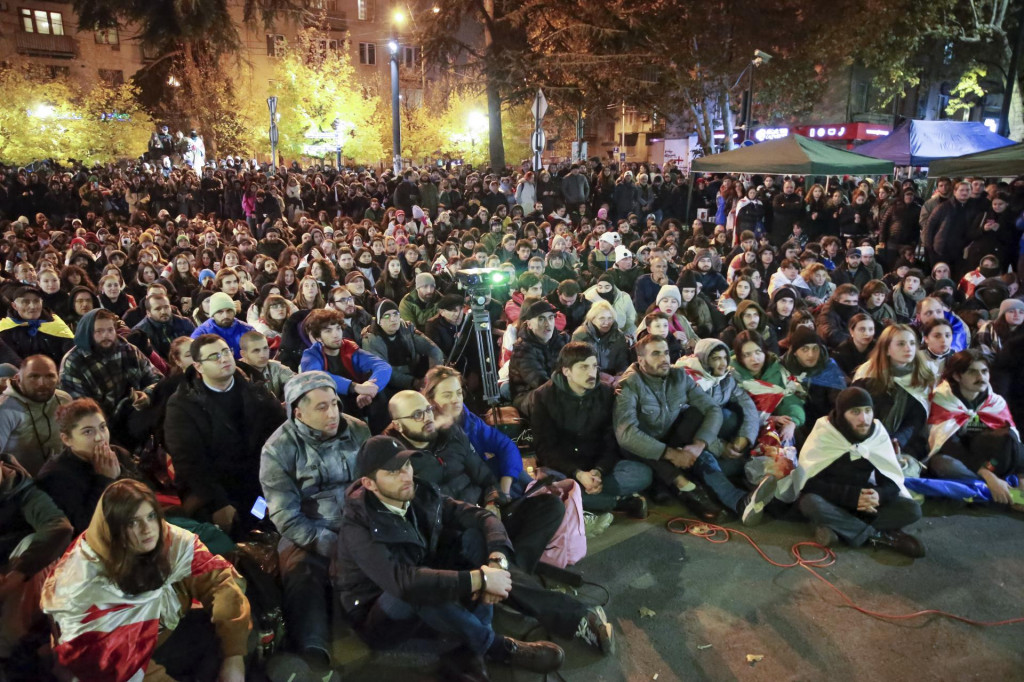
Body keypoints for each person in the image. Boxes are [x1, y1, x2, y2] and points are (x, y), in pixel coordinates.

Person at [334, 436, 565, 680]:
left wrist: (497, 559)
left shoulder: (420, 492)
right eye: (393, 473)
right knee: (417, 584)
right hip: (378, 614)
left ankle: (473, 649)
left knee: (474, 538)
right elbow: (402, 582)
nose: (406, 476)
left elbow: (481, 516)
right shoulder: (358, 525)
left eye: (406, 466)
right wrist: (480, 579)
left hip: (421, 585)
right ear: (369, 484)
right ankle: (498, 647)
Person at [41, 480, 251, 682]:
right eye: (133, 522)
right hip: (118, 664)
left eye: (151, 516)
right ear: (114, 529)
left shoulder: (168, 539)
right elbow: (113, 666)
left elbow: (220, 583)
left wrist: (234, 658)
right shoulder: (84, 582)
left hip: (165, 634)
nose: (147, 529)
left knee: (241, 631)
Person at [259, 372, 370, 669]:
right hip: (310, 530)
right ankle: (313, 651)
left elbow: (374, 480)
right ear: (298, 411)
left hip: (360, 522)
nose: (333, 413)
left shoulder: (359, 430)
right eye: (322, 407)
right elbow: (286, 515)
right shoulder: (278, 449)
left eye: (334, 404)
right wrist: (329, 544)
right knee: (303, 574)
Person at [615, 335, 775, 524]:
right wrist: (671, 454)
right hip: (641, 447)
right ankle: (691, 492)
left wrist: (699, 445)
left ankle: (740, 502)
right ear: (641, 360)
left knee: (700, 444)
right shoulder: (629, 384)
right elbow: (626, 435)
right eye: (656, 354)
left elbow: (712, 409)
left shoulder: (679, 376)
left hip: (671, 439)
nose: (664, 359)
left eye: (666, 353)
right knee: (661, 456)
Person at [164, 334, 285, 537]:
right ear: (199, 367)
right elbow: (190, 462)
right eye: (213, 356)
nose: (223, 359)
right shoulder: (182, 405)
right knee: (230, 528)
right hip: (213, 487)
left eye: (225, 352)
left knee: (265, 518)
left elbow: (280, 433)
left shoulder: (255, 389)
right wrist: (219, 502)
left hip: (257, 480)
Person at [789, 387, 925, 557]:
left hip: (865, 502)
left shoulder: (877, 434)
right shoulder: (825, 432)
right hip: (833, 499)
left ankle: (840, 529)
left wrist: (878, 495)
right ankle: (876, 536)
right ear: (841, 414)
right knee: (810, 503)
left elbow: (892, 480)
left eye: (868, 411)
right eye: (855, 412)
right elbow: (808, 482)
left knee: (911, 509)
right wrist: (852, 497)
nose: (864, 419)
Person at [530, 342, 651, 517]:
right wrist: (578, 474)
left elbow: (611, 441)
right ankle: (616, 501)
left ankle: (585, 498)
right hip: (563, 468)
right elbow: (544, 448)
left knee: (642, 473)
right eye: (583, 367)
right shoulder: (543, 396)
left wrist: (599, 471)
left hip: (596, 466)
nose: (591, 373)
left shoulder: (606, 393)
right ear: (566, 371)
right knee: (548, 485)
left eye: (594, 366)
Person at [926, 350, 1024, 509]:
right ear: (957, 376)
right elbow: (949, 444)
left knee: (1012, 446)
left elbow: (1013, 441)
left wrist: (1022, 481)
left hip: (989, 462)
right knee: (942, 464)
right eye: (973, 372)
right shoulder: (942, 399)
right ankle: (1000, 491)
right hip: (960, 457)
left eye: (984, 371)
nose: (981, 377)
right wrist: (989, 477)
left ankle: (1000, 492)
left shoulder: (995, 402)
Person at [59, 309, 163, 449]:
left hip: (135, 414)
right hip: (101, 426)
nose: (106, 336)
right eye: (99, 331)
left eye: (110, 330)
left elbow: (156, 378)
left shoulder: (128, 349)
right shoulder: (74, 362)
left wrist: (147, 394)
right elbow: (81, 409)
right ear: (88, 333)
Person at [300, 308, 393, 432]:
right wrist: (354, 387)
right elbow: (317, 377)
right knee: (336, 399)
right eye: (328, 331)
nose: (336, 334)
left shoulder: (349, 348)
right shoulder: (311, 355)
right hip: (332, 404)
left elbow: (383, 366)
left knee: (379, 395)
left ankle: (382, 437)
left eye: (338, 328)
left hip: (359, 399)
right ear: (318, 337)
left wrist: (370, 388)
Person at [852, 324, 934, 459]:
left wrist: (897, 440)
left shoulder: (924, 377)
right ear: (887, 349)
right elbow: (855, 411)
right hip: (865, 437)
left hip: (906, 443)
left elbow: (916, 421)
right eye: (901, 344)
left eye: (912, 343)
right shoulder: (867, 374)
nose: (908, 348)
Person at [0, 355, 71, 476]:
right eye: (34, 376)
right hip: (23, 487)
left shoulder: (64, 400)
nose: (42, 383)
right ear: (18, 379)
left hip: (62, 477)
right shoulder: (5, 409)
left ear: (58, 378)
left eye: (50, 376)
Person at [361, 300, 444, 391]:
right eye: (387, 316)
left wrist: (433, 375)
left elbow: (432, 349)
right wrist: (413, 382)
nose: (393, 319)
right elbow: (383, 370)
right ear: (379, 321)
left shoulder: (406, 328)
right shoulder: (370, 341)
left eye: (396, 314)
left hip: (414, 372)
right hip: (390, 384)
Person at [508, 299, 567, 418]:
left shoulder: (563, 340)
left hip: (559, 390)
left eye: (551, 318)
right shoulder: (522, 349)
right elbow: (539, 382)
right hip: (528, 396)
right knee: (548, 398)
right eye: (541, 319)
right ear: (529, 324)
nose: (548, 323)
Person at [0, 284, 74, 364]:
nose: (32, 306)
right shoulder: (5, 329)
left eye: (36, 301)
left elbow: (71, 354)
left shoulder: (55, 324)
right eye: (26, 302)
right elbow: (8, 359)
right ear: (14, 306)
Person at [571, 300, 631, 381]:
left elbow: (623, 361)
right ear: (593, 319)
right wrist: (599, 375)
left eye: (610, 318)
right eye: (602, 318)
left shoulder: (619, 336)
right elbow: (578, 363)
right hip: (589, 377)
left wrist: (620, 374)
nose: (606, 322)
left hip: (613, 379)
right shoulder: (580, 336)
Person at [189, 291, 255, 359]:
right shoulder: (201, 334)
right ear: (213, 314)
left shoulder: (247, 330)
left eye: (229, 310)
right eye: (220, 312)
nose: (225, 315)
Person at [132, 293, 196, 361]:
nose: (163, 312)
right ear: (148, 313)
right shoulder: (141, 332)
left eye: (166, 307)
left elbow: (196, 346)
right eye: (158, 309)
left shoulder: (184, 322)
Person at [237, 330, 295, 400]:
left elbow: (297, 384)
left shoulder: (276, 367)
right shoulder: (236, 373)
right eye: (256, 350)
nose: (263, 355)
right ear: (243, 354)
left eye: (265, 348)